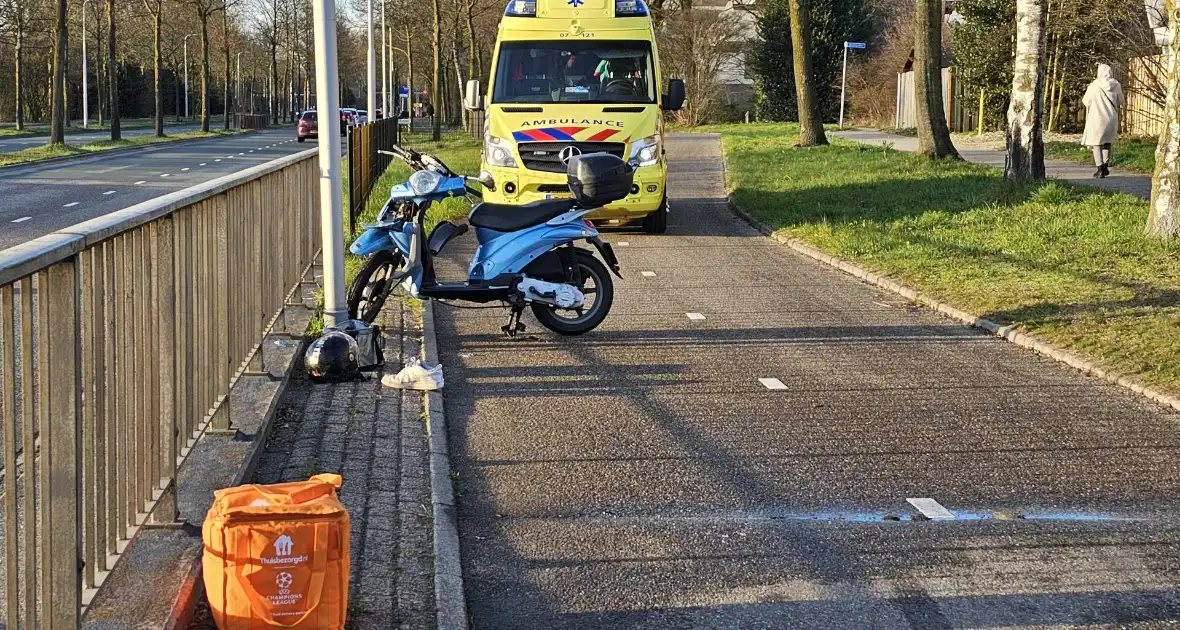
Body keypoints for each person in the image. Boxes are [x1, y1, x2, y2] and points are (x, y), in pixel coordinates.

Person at [1081, 63, 1125, 179]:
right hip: (1111, 118)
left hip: (1097, 118)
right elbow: (1121, 101)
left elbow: (1086, 101)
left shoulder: (1094, 86)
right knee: (1107, 142)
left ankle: (1099, 169)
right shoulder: (1116, 85)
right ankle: (1105, 167)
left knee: (1096, 143)